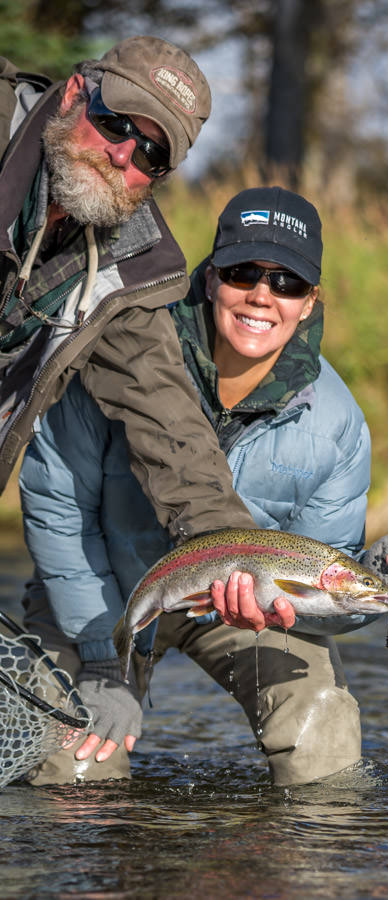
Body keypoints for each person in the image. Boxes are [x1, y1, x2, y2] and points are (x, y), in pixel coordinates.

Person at [19, 187, 388, 786]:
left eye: (287, 283)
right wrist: (106, 661)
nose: (262, 296)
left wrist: (378, 573)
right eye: (244, 273)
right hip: (105, 592)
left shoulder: (336, 425)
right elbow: (57, 511)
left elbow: (325, 593)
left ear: (310, 303)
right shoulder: (122, 355)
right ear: (210, 279)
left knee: (325, 742)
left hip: (250, 613)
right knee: (73, 775)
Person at [0, 36, 256, 555]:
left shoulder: (134, 269)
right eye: (116, 123)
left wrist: (227, 554)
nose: (121, 154)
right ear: (74, 94)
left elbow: (170, 426)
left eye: (151, 152)